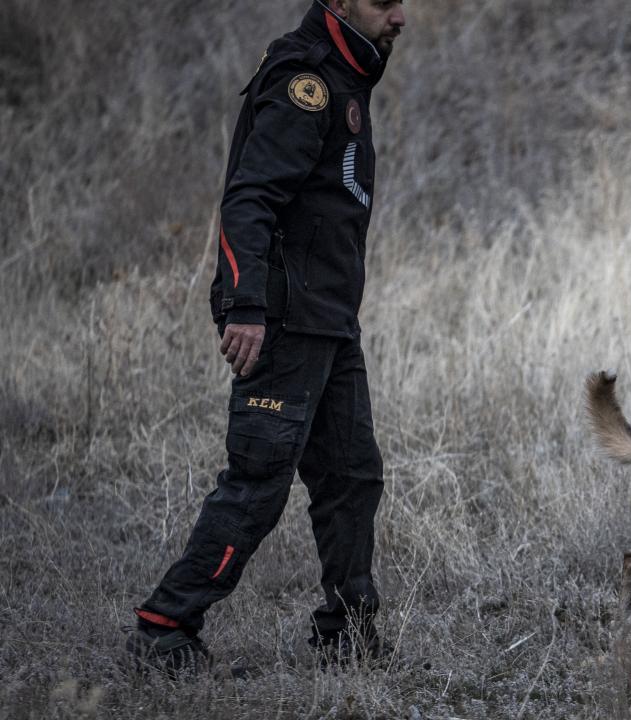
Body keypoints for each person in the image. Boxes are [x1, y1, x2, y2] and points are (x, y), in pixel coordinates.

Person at [127, 0, 406, 673]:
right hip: (283, 320)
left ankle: (347, 634)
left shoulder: (346, 75)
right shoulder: (305, 84)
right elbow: (249, 199)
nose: (400, 16)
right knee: (257, 485)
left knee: (352, 477)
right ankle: (165, 627)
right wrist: (246, 304)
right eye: (384, 2)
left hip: (329, 321)